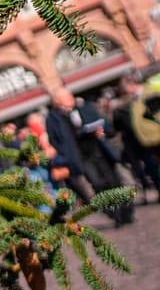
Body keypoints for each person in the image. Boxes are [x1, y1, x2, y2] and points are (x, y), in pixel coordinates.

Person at [44, 87, 134, 225]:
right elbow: (55, 141)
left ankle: (127, 212)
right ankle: (115, 214)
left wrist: (102, 132)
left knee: (114, 181)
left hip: (98, 151)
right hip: (80, 157)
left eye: (70, 96)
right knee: (98, 184)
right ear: (57, 101)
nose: (71, 99)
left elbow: (105, 125)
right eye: (66, 97)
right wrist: (66, 153)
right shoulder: (53, 118)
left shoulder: (85, 107)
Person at [109, 81, 160, 202]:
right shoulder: (135, 100)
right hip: (146, 139)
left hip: (154, 136)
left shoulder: (148, 95)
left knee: (150, 166)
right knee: (151, 166)